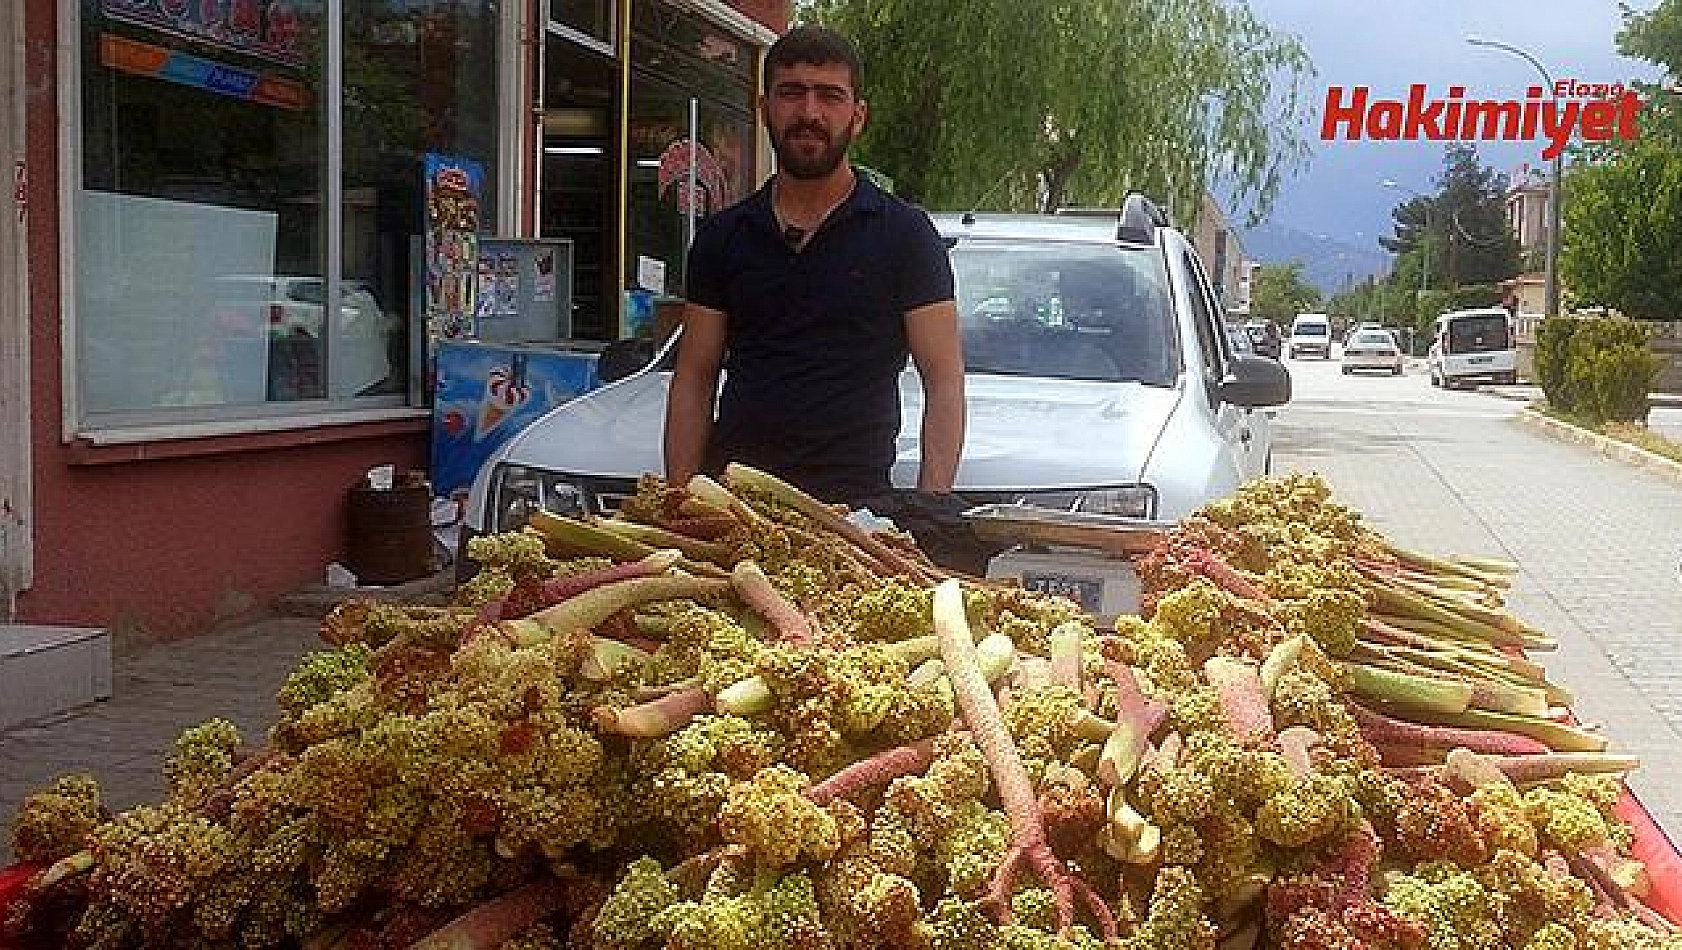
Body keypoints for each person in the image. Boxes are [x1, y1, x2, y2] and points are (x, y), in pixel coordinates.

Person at [663, 24, 966, 516]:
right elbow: (694, 378)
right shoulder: (722, 239)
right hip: (735, 511)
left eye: (829, 96)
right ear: (764, 109)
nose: (809, 113)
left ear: (857, 115)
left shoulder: (905, 236)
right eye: (791, 93)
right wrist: (681, 502)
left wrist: (931, 512)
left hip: (859, 517)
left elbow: (945, 379)